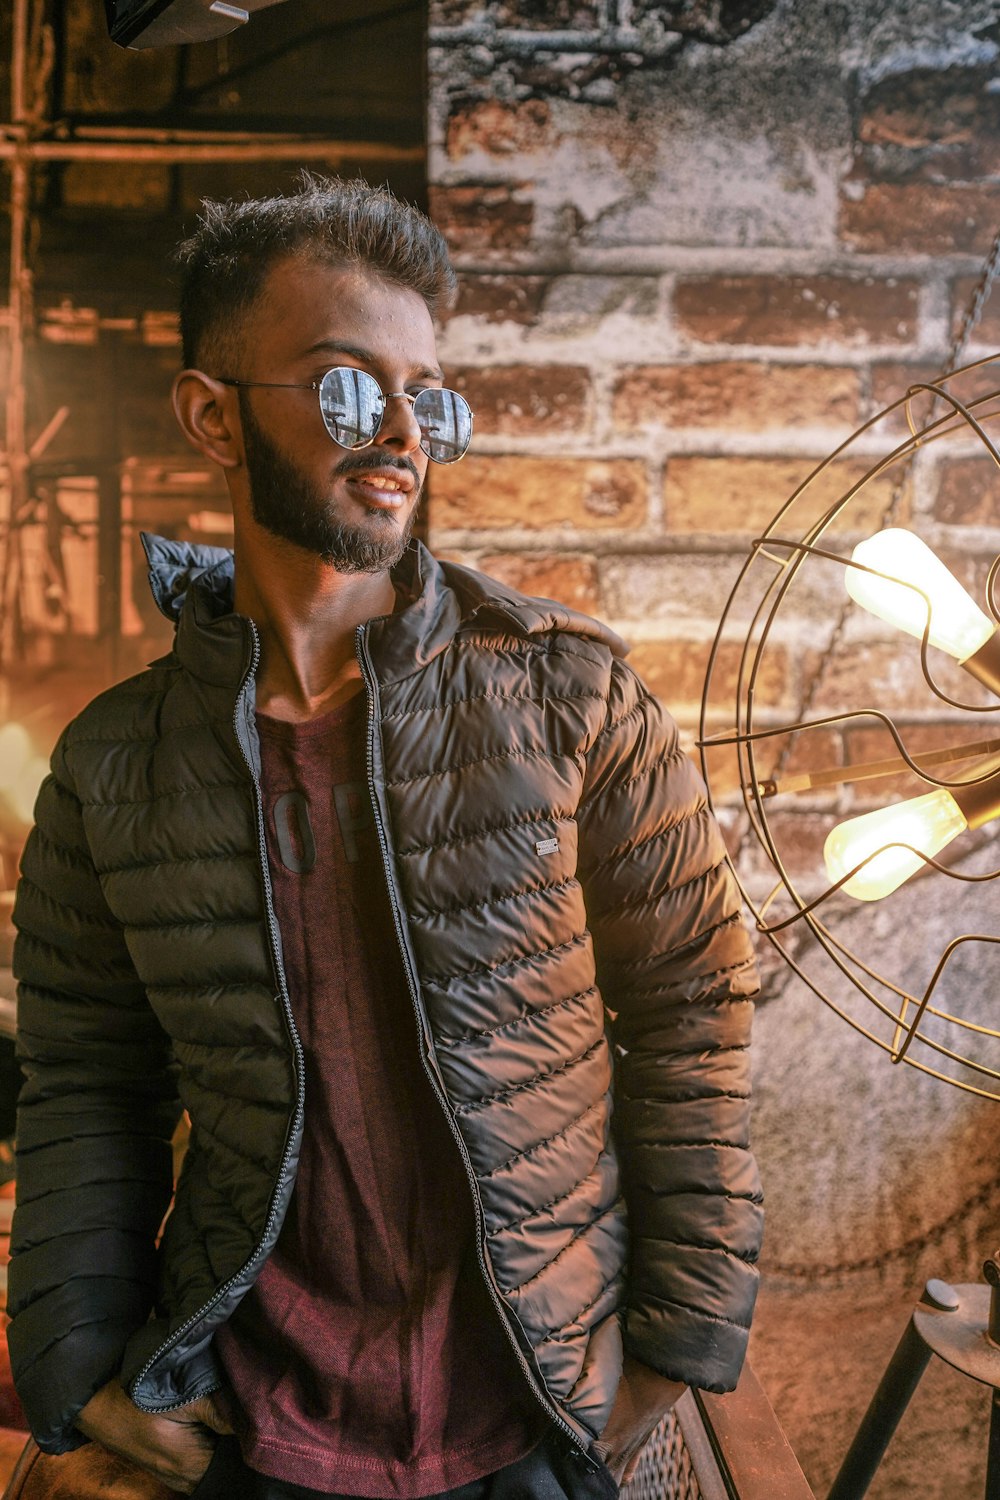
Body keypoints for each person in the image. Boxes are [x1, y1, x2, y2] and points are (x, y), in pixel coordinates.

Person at [6, 176, 763, 1499]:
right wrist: (76, 1371)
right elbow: (84, 1081)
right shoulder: (112, 766)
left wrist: (681, 1347)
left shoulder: (568, 696)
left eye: (431, 397)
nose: (404, 431)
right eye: (351, 386)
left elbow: (696, 1001)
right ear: (212, 416)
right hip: (249, 1431)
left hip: (540, 1417)